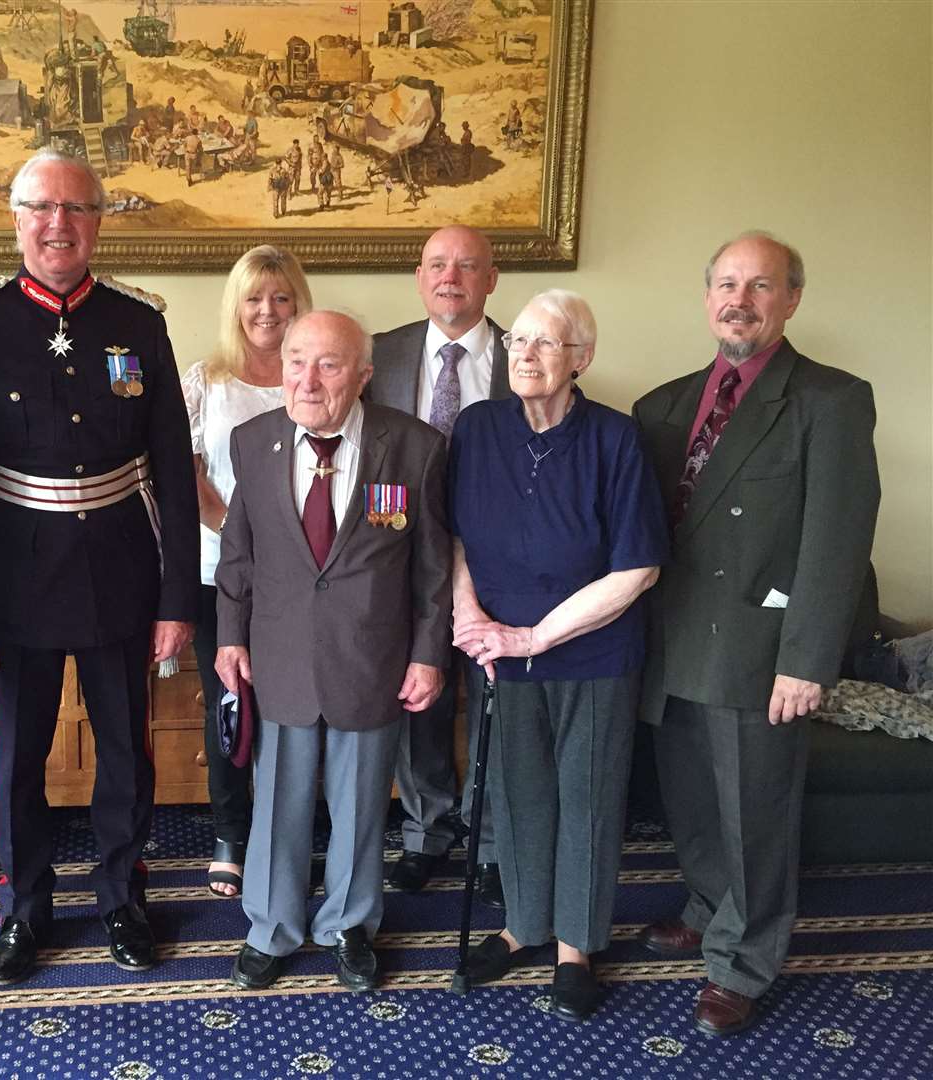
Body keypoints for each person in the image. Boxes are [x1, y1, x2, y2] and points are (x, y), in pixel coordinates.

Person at [0, 148, 199, 988]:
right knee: (19, 760)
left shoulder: (140, 322)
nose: (59, 225)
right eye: (41, 208)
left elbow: (172, 473)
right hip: (11, 580)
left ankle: (123, 896)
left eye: (77, 209)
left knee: (125, 753)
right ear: (15, 217)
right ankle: (25, 906)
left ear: (98, 220)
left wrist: (177, 596)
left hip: (120, 568)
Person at [631, 232, 880, 1036]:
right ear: (708, 298)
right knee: (695, 803)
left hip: (760, 651)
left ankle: (744, 962)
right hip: (673, 643)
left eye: (761, 285)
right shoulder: (662, 405)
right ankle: (710, 907)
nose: (740, 299)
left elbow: (838, 541)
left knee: (756, 814)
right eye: (727, 284)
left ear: (792, 299)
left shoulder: (831, 400)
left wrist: (808, 661)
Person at [447, 290, 668, 1020]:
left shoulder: (614, 437)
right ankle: (522, 925)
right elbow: (456, 539)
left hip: (593, 657)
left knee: (588, 798)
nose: (528, 356)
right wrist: (470, 615)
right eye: (519, 344)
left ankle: (576, 946)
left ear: (582, 358)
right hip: (500, 654)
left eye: (547, 344)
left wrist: (535, 637)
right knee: (518, 791)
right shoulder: (477, 429)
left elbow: (638, 568)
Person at [217, 311, 451, 993]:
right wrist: (230, 634)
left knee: (358, 804)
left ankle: (348, 924)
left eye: (328, 364)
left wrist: (428, 653)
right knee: (277, 800)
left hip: (373, 657)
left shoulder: (415, 448)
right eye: (296, 361)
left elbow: (433, 569)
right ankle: (272, 927)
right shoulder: (251, 441)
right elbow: (240, 554)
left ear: (364, 374)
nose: (308, 380)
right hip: (280, 653)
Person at [364, 225, 510, 904]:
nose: (450, 276)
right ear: (420, 277)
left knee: (494, 705)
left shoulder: (527, 353)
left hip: (500, 565)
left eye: (466, 265)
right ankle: (427, 833)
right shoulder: (379, 353)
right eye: (436, 265)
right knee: (417, 700)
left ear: (491, 279)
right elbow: (369, 456)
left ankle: (488, 839)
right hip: (405, 560)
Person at [180, 247, 314, 899]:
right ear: (236, 305)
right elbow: (189, 473)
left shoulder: (317, 374)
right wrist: (242, 536)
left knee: (295, 705)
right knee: (230, 703)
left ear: (299, 303)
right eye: (254, 298)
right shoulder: (207, 379)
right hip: (222, 575)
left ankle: (289, 831)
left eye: (281, 297)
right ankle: (231, 834)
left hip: (307, 580)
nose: (267, 310)